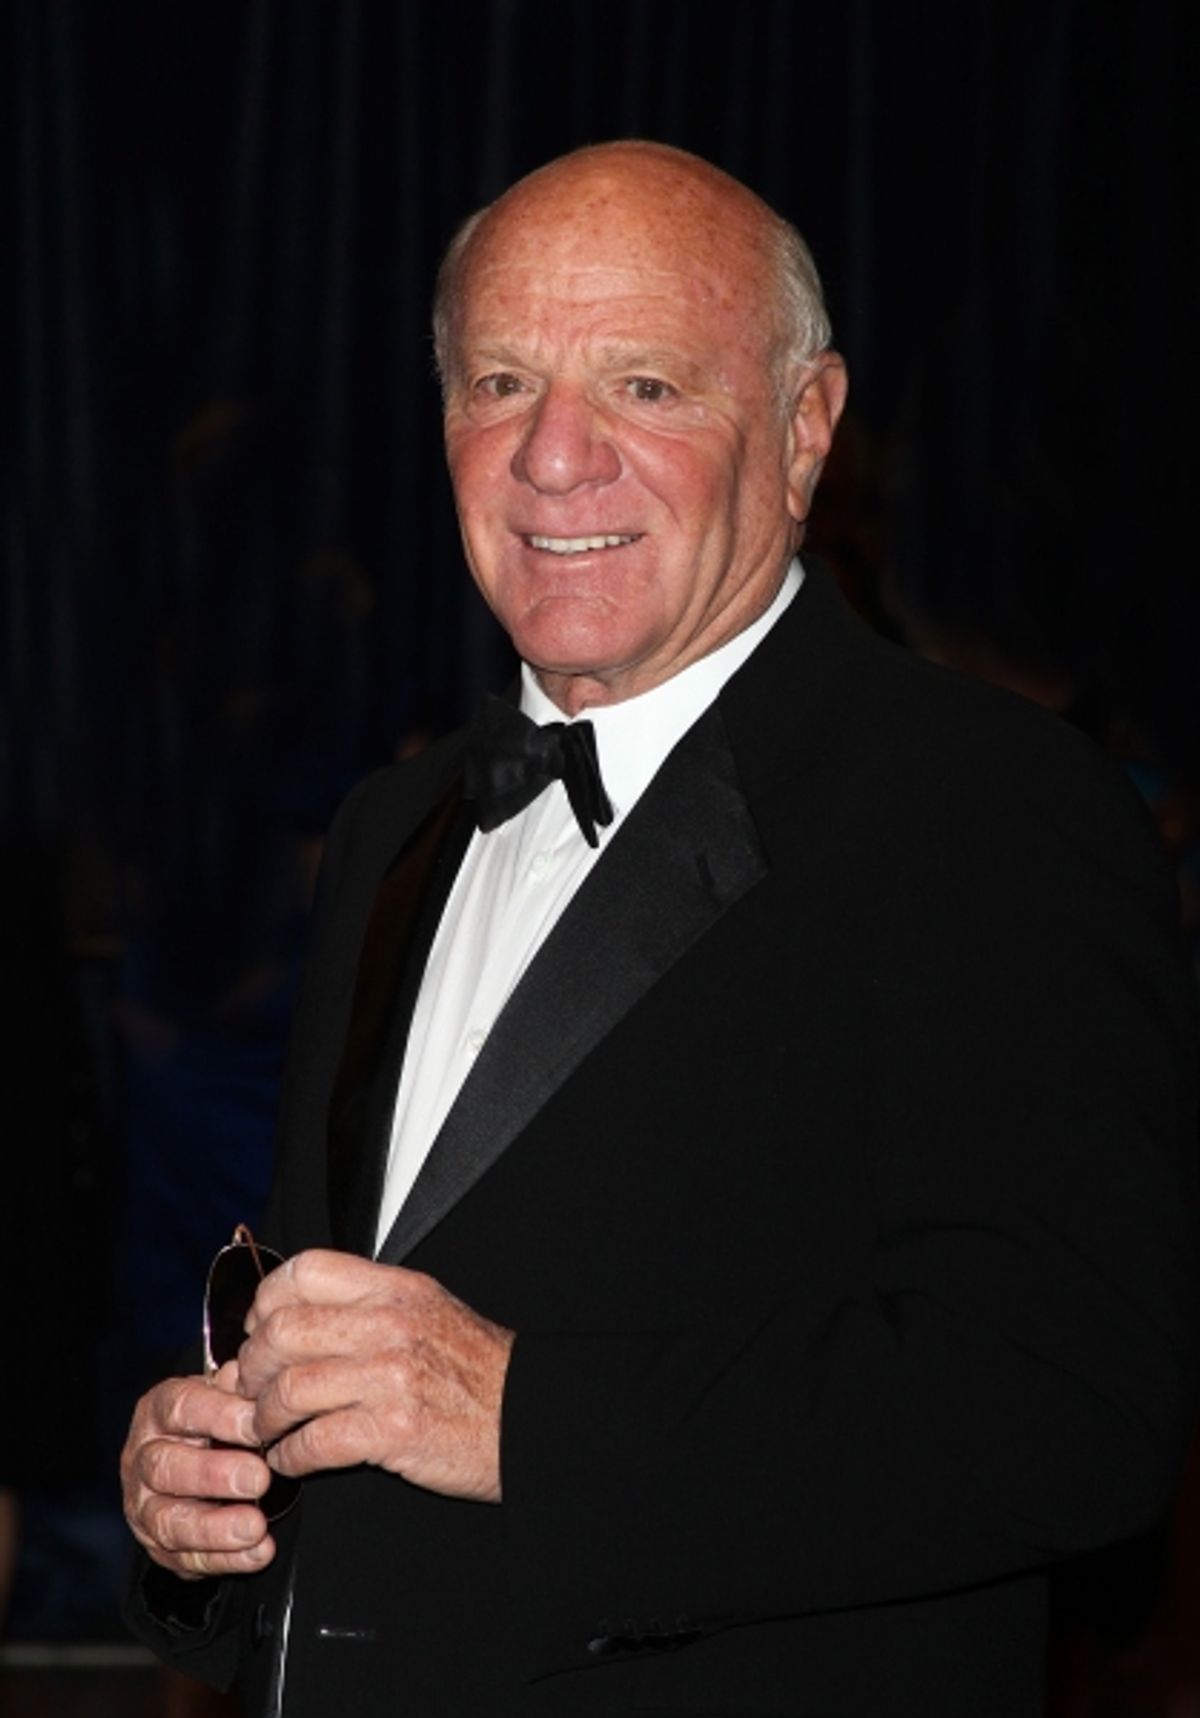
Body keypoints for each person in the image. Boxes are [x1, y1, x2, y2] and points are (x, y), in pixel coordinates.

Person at [121, 141, 1198, 1717]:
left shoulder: (983, 805)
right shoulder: (392, 830)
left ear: (804, 427)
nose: (553, 457)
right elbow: (361, 1380)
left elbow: (1067, 1407)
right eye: (501, 380)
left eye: (643, 386)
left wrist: (518, 1413)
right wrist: (212, 1499)